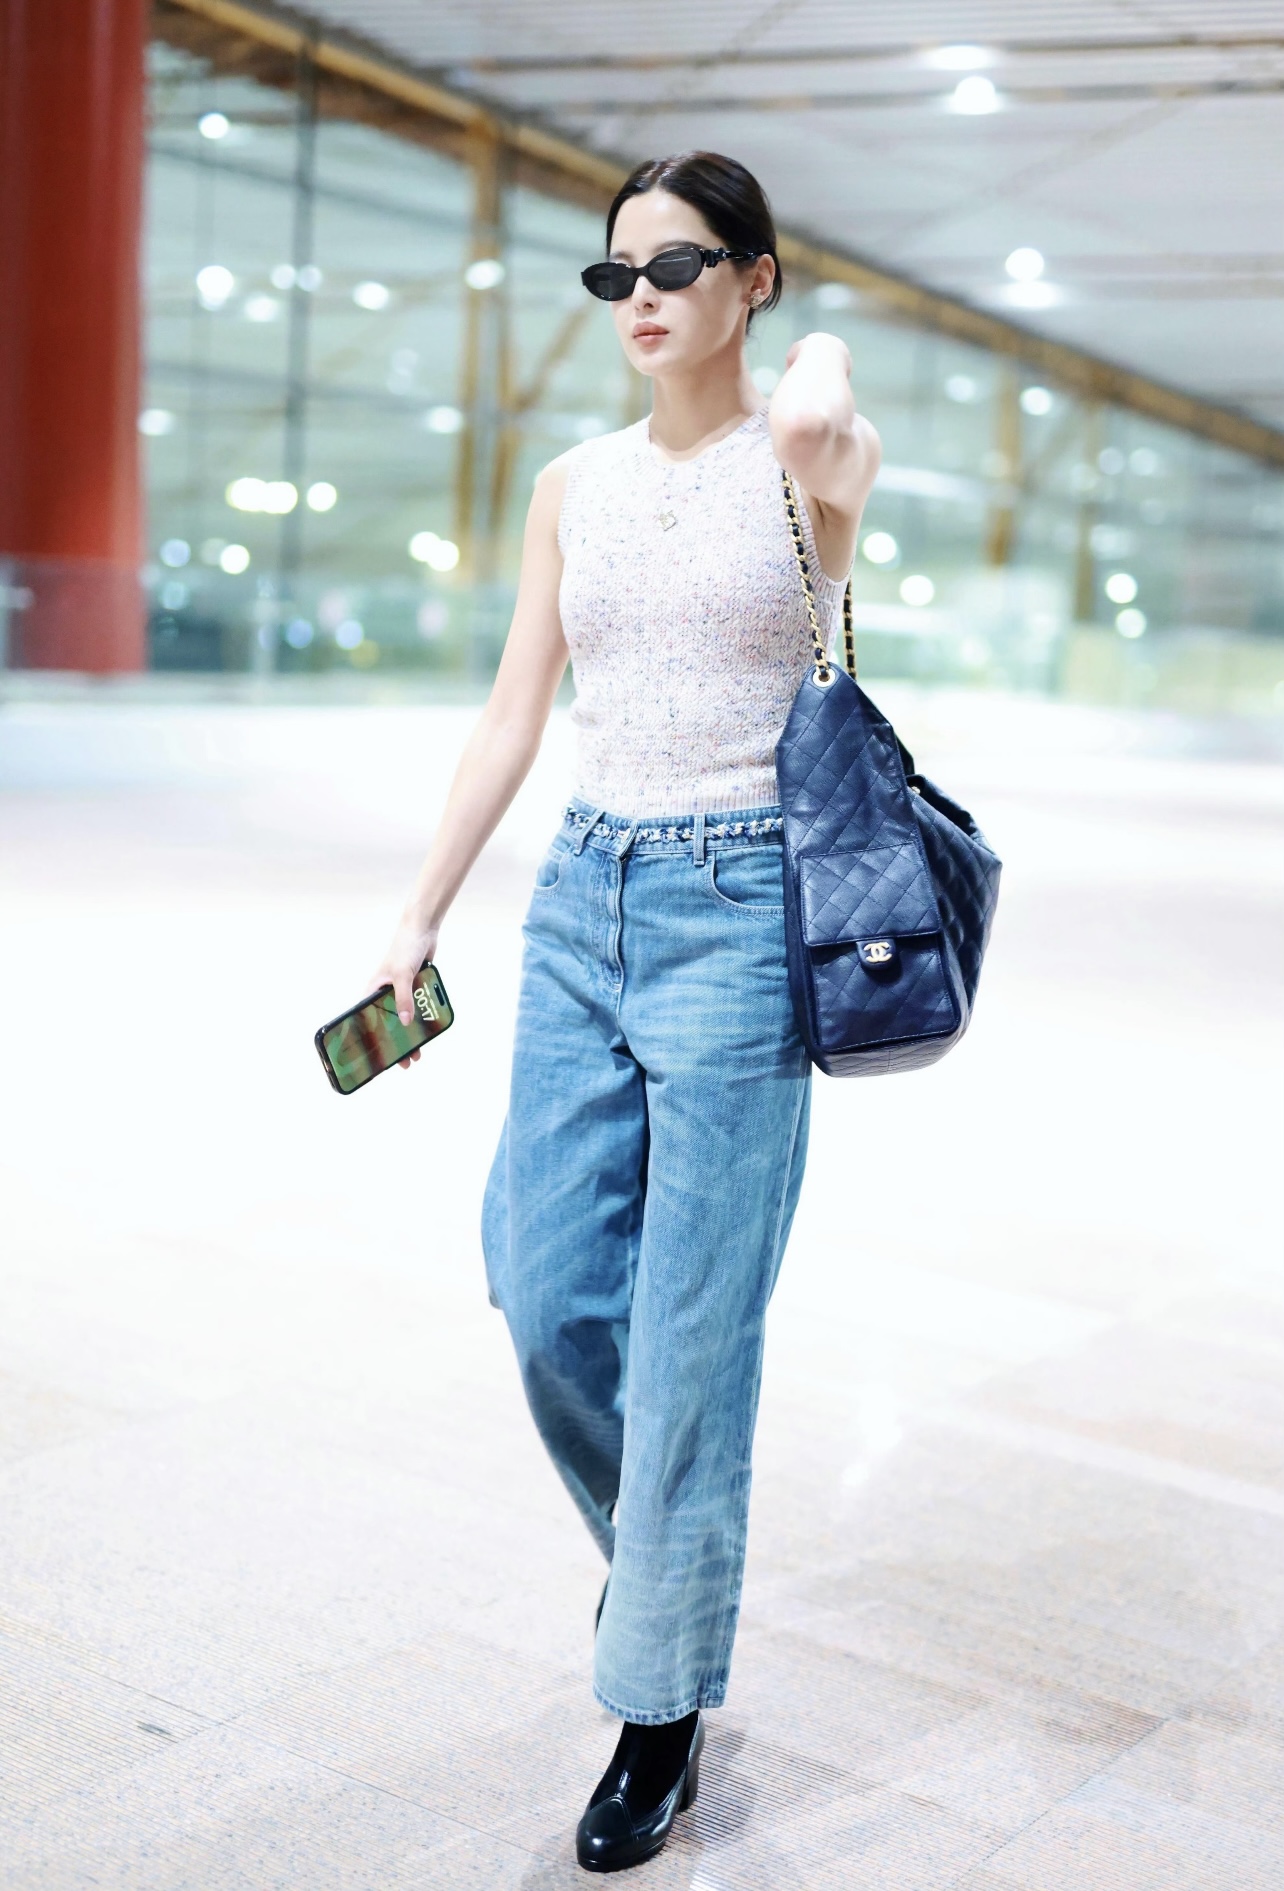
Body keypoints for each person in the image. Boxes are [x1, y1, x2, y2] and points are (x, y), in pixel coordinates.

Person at [372, 150, 881, 1873]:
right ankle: (661, 1572)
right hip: (583, 900)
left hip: (743, 909)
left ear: (754, 277)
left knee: (689, 1338)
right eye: (616, 277)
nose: (641, 299)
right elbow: (516, 710)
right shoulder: (572, 483)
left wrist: (802, 353)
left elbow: (817, 409)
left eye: (678, 266)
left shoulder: (811, 462)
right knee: (543, 1290)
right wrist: (419, 910)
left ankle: (657, 1702)